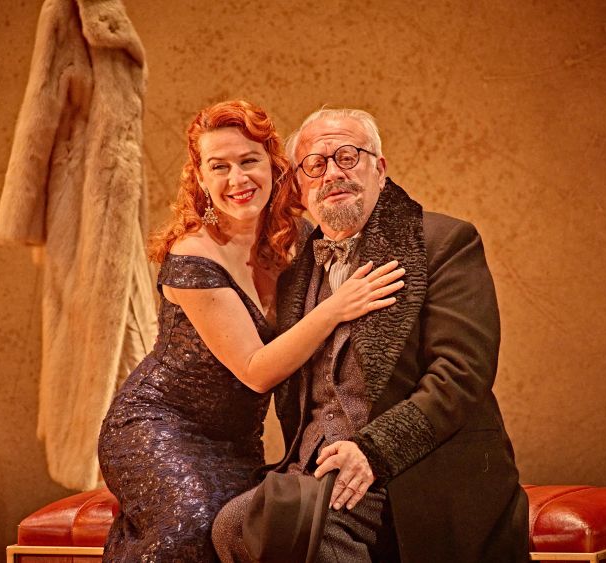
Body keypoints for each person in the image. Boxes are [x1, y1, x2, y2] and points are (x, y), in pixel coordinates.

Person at [212, 108, 529, 562]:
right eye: (314, 165)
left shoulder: (443, 241)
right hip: (315, 469)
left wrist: (373, 451)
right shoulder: (294, 272)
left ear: (380, 169)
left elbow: (462, 375)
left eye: (347, 157)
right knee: (233, 526)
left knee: (315, 535)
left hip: (414, 470)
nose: (332, 174)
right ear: (299, 186)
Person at [97, 100, 405, 562]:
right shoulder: (193, 256)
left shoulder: (296, 238)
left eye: (248, 161)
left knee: (242, 529)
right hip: (159, 426)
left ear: (275, 166)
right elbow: (256, 372)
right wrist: (336, 308)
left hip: (239, 439)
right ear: (200, 178)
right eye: (218, 166)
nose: (237, 179)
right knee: (191, 525)